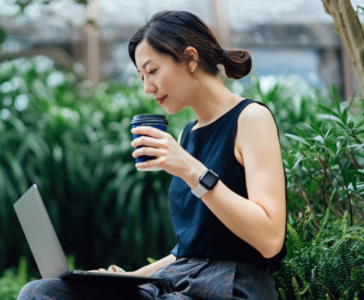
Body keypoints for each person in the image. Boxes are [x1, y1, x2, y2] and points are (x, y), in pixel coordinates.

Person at [17, 10, 286, 300]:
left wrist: (191, 170)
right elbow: (190, 252)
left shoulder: (251, 119)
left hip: (234, 286)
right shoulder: (187, 135)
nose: (148, 88)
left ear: (190, 58)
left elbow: (270, 239)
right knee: (41, 293)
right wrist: (129, 278)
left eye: (153, 71)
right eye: (142, 76)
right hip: (180, 282)